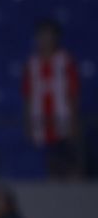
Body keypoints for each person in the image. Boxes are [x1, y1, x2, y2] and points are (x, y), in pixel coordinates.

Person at [22, 19, 83, 179]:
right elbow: (28, 95)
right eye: (42, 35)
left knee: (71, 162)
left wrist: (73, 121)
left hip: (63, 122)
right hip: (41, 124)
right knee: (50, 166)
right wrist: (29, 123)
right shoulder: (32, 63)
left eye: (49, 35)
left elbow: (73, 92)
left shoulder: (65, 60)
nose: (45, 39)